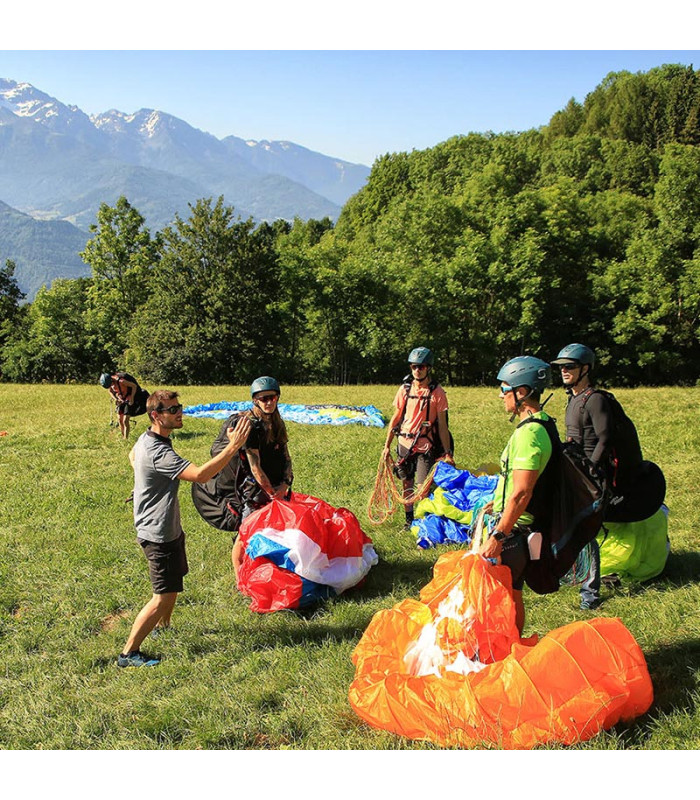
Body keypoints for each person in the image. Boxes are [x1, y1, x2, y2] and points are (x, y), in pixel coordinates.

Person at [119, 390, 251, 667]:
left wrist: (142, 481)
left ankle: (162, 627)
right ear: (156, 415)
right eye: (172, 409)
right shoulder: (158, 452)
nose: (179, 412)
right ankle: (128, 653)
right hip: (157, 533)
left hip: (167, 527)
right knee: (162, 594)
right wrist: (233, 446)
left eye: (179, 407)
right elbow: (202, 476)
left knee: (174, 581)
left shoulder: (148, 439)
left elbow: (133, 455)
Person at [479, 356, 554, 634]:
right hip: (522, 528)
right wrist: (497, 500)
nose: (501, 396)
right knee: (513, 592)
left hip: (513, 533)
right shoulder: (544, 423)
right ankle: (512, 650)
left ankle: (503, 655)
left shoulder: (528, 434)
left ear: (521, 392)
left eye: (504, 389)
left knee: (501, 599)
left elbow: (523, 491)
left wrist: (498, 535)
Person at [551, 343, 606, 610]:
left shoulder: (595, 399)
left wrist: (592, 468)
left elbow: (605, 437)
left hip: (590, 477)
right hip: (573, 470)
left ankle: (590, 592)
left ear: (585, 369)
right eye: (561, 367)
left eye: (569, 366)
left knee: (586, 530)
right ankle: (571, 573)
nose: (564, 371)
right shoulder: (573, 398)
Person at [382, 347, 455, 530]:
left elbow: (443, 426)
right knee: (407, 483)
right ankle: (409, 520)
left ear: (428, 368)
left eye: (421, 367)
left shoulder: (437, 392)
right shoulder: (405, 389)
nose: (417, 370)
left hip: (425, 446)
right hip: (404, 444)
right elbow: (396, 418)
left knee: (422, 489)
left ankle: (424, 521)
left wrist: (447, 453)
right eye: (414, 367)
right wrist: (386, 446)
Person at [231, 377, 294, 578]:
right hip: (256, 490)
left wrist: (285, 484)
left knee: (276, 530)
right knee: (245, 533)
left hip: (278, 486)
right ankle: (239, 577)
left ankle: (269, 570)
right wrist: (270, 492)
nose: (269, 402)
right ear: (255, 400)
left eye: (273, 397)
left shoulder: (276, 422)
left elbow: (286, 455)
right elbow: (255, 467)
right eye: (263, 398)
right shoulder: (250, 425)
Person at [100, 370, 149, 440]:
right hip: (121, 400)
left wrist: (132, 397)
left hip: (128, 400)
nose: (111, 386)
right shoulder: (110, 384)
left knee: (125, 420)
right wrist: (116, 399)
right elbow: (110, 391)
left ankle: (126, 438)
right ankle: (123, 436)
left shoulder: (121, 381)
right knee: (120, 420)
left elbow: (134, 386)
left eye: (111, 384)